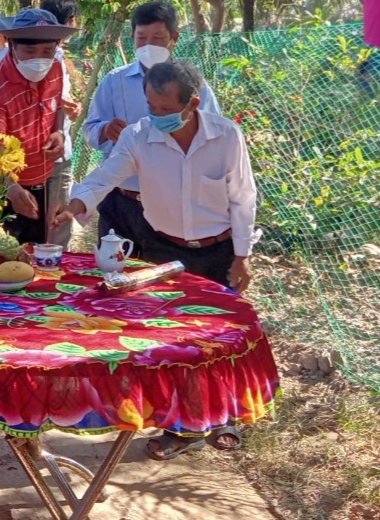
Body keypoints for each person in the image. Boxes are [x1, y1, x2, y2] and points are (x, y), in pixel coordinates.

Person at [52, 60, 255, 462]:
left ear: (193, 103)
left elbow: (243, 198)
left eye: (165, 109)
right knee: (171, 340)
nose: (156, 116)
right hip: (163, 250)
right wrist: (75, 204)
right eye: (151, 107)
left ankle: (222, 417)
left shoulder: (226, 137)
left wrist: (242, 256)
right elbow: (105, 176)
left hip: (219, 251)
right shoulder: (138, 136)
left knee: (216, 339)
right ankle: (178, 427)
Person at [82, 0, 221, 258]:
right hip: (120, 201)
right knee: (115, 270)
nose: (148, 46)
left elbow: (213, 138)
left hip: (170, 203)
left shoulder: (195, 86)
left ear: (174, 38)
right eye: (141, 38)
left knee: (162, 274)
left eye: (157, 38)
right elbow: (89, 131)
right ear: (132, 38)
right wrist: (105, 130)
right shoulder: (114, 81)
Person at [0, 8, 77, 244]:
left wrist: (58, 132)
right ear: (12, 46)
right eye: (30, 51)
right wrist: (11, 189)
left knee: (38, 254)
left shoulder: (54, 69)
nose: (39, 59)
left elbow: (57, 106)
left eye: (47, 51)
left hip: (42, 180)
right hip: (1, 188)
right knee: (0, 258)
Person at [39, 0, 83, 250]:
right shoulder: (52, 55)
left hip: (45, 149)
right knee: (56, 222)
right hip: (52, 153)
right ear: (71, 21)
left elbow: (59, 99)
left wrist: (69, 107)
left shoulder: (45, 55)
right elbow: (52, 101)